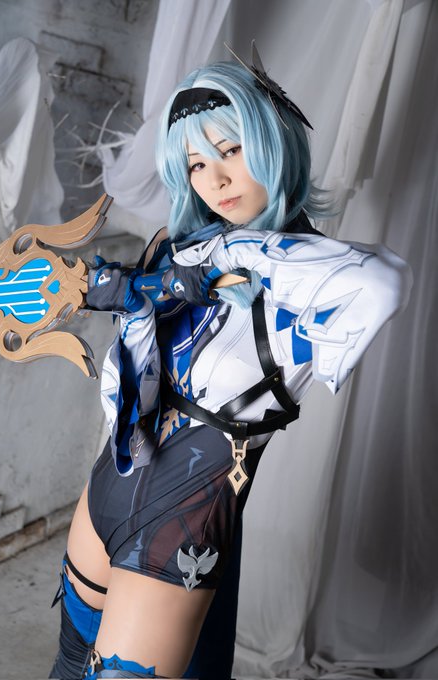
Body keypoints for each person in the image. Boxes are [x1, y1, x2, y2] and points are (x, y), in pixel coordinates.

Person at [49, 56, 412, 680]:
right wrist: (139, 300)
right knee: (67, 664)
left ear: (273, 143)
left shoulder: (309, 279)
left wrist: (222, 258)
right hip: (106, 492)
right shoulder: (174, 250)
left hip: (180, 524)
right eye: (196, 164)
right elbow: (134, 397)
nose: (214, 180)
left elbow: (384, 284)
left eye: (231, 150)